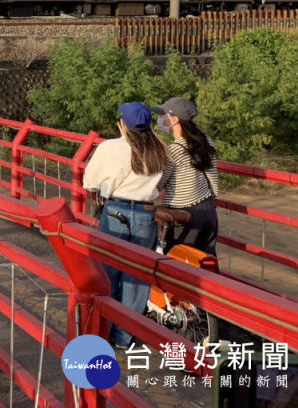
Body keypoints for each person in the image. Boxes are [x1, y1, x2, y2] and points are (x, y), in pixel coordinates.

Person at [83, 102, 167, 349]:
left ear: (122, 123)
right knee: (138, 276)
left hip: (116, 211)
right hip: (146, 214)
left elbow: (90, 182)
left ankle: (105, 330)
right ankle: (125, 336)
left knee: (109, 271)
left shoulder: (109, 147)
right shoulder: (159, 148)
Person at [152, 97, 220, 255]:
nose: (160, 119)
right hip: (208, 209)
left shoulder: (174, 150)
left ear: (174, 120)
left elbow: (159, 184)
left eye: (163, 115)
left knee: (180, 264)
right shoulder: (206, 140)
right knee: (206, 261)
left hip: (184, 213)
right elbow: (212, 173)